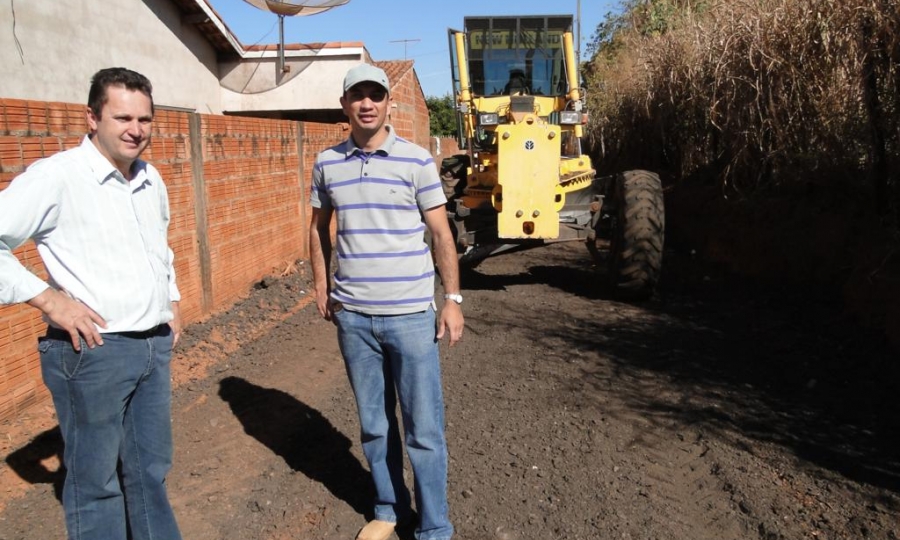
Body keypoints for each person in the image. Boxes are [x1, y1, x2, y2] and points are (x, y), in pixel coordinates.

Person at [0, 67, 183, 540]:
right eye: (122, 117)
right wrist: (48, 300)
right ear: (92, 117)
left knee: (149, 472)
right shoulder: (59, 177)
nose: (135, 129)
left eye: (145, 119)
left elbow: (159, 247)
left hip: (152, 347)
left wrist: (172, 300)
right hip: (93, 353)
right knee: (96, 482)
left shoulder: (150, 178)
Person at [309, 64, 463, 540]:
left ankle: (434, 526)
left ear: (388, 103)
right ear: (345, 105)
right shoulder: (326, 162)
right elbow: (317, 228)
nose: (367, 103)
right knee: (375, 425)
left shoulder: (417, 161)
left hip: (412, 315)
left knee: (423, 430)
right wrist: (321, 283)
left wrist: (452, 298)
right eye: (358, 95)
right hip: (353, 317)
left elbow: (440, 233)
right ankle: (388, 509)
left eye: (376, 94)